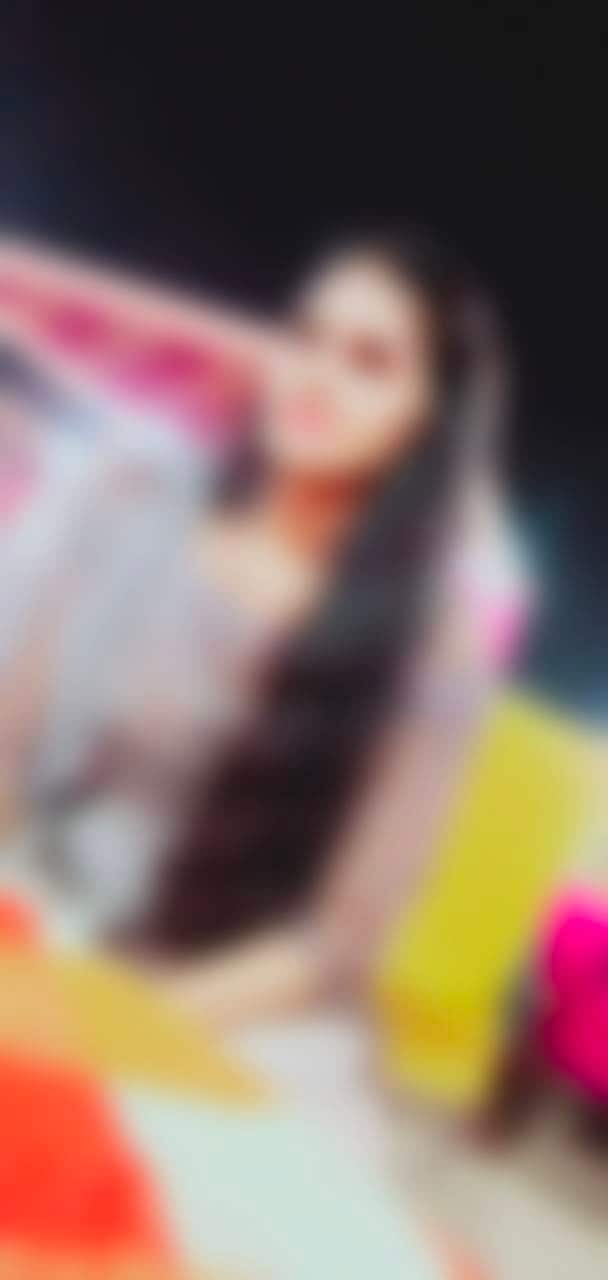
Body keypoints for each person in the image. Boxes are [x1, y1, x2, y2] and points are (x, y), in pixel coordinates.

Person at [1, 229, 530, 1022]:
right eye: (307, 336)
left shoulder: (438, 653)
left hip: (205, 1014)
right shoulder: (134, 501)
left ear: (429, 417)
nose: (317, 375)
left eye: (370, 362)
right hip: (28, 921)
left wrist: (113, 1027)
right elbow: (7, 745)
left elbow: (336, 944)